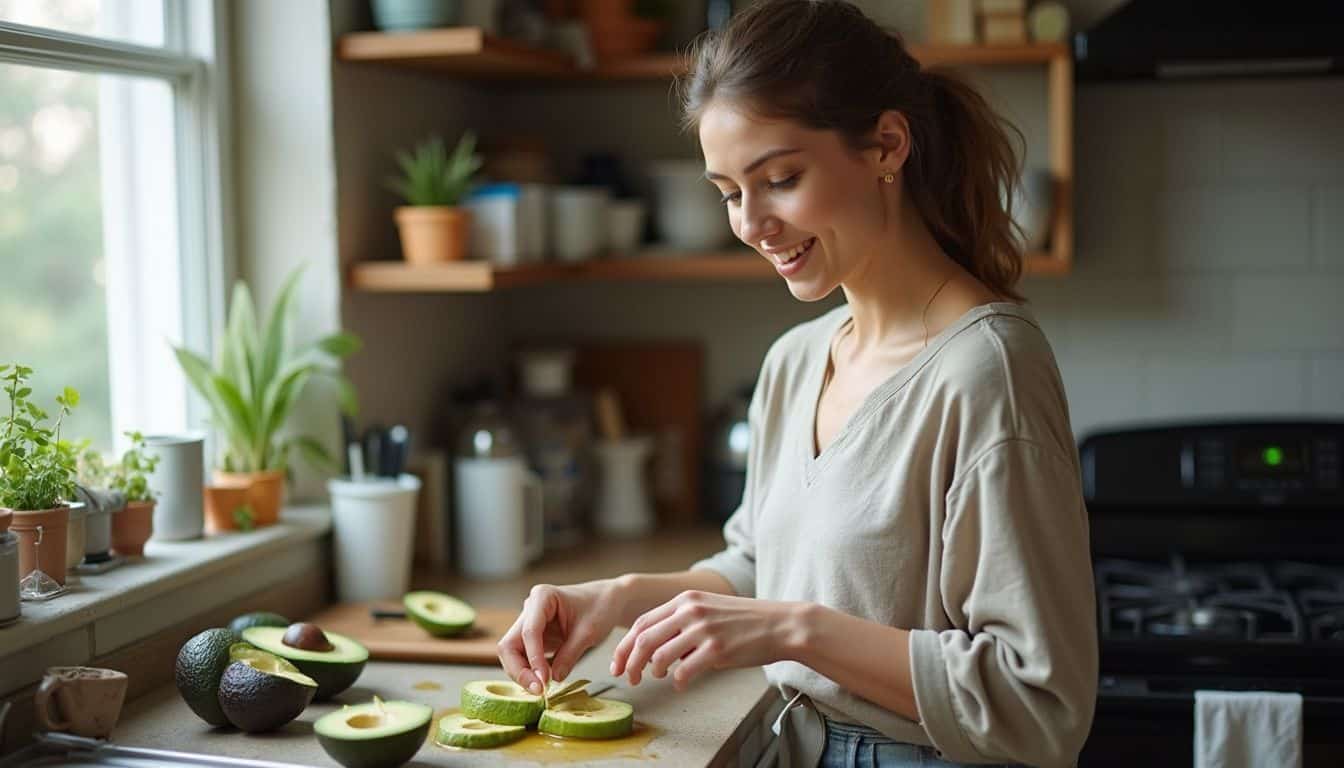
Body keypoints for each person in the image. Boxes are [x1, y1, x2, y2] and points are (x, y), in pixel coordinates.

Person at [496, 1, 1098, 766]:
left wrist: (795, 631)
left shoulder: (987, 374)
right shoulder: (794, 361)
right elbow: (765, 568)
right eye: (728, 192)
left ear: (886, 145)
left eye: (779, 179)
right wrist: (612, 599)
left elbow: (1038, 704)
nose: (751, 223)